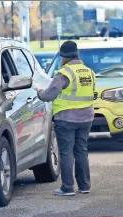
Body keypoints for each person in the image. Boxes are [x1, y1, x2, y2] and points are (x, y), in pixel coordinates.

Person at [34, 41, 95, 196]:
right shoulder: (88, 72)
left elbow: (49, 95)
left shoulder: (64, 73)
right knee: (81, 151)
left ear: (63, 56)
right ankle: (84, 186)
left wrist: (38, 92)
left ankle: (67, 187)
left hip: (66, 118)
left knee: (66, 153)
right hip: (86, 118)